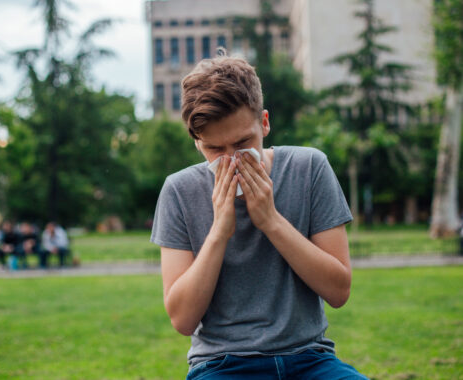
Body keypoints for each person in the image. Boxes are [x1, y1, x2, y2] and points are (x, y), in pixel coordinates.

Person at [151, 51, 368, 379]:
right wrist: (218, 232)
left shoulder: (309, 168)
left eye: (242, 143)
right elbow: (182, 319)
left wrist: (271, 220)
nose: (231, 160)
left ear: (264, 122)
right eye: (214, 149)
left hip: (310, 359)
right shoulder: (179, 191)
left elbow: (339, 291)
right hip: (221, 364)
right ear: (197, 143)